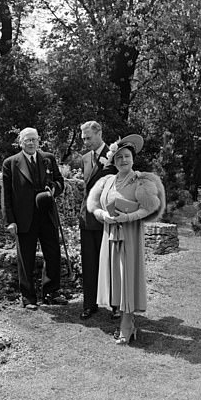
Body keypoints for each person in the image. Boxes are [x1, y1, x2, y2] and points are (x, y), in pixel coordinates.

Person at [87, 134, 165, 344]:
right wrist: (104, 216)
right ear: (113, 160)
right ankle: (124, 321)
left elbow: (149, 207)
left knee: (127, 279)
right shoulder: (107, 181)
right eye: (119, 157)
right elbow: (93, 205)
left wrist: (127, 217)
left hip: (129, 235)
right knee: (116, 280)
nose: (123, 160)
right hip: (110, 234)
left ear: (133, 158)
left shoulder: (141, 181)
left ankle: (127, 326)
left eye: (127, 156)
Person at [1, 127, 65, 308]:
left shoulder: (48, 159)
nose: (31, 143)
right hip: (24, 216)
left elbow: (61, 182)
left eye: (34, 140)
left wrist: (53, 189)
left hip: (47, 214)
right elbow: (6, 195)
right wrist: (10, 221)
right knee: (25, 257)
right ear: (20, 142)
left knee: (53, 254)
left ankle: (51, 293)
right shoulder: (10, 163)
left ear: (39, 141)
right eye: (27, 140)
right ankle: (28, 298)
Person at [77, 121, 118, 320]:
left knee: (110, 262)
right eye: (83, 138)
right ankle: (89, 304)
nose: (86, 142)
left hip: (106, 219)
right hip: (86, 219)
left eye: (89, 138)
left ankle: (116, 305)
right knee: (89, 262)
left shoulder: (114, 156)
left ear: (99, 133)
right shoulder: (85, 158)